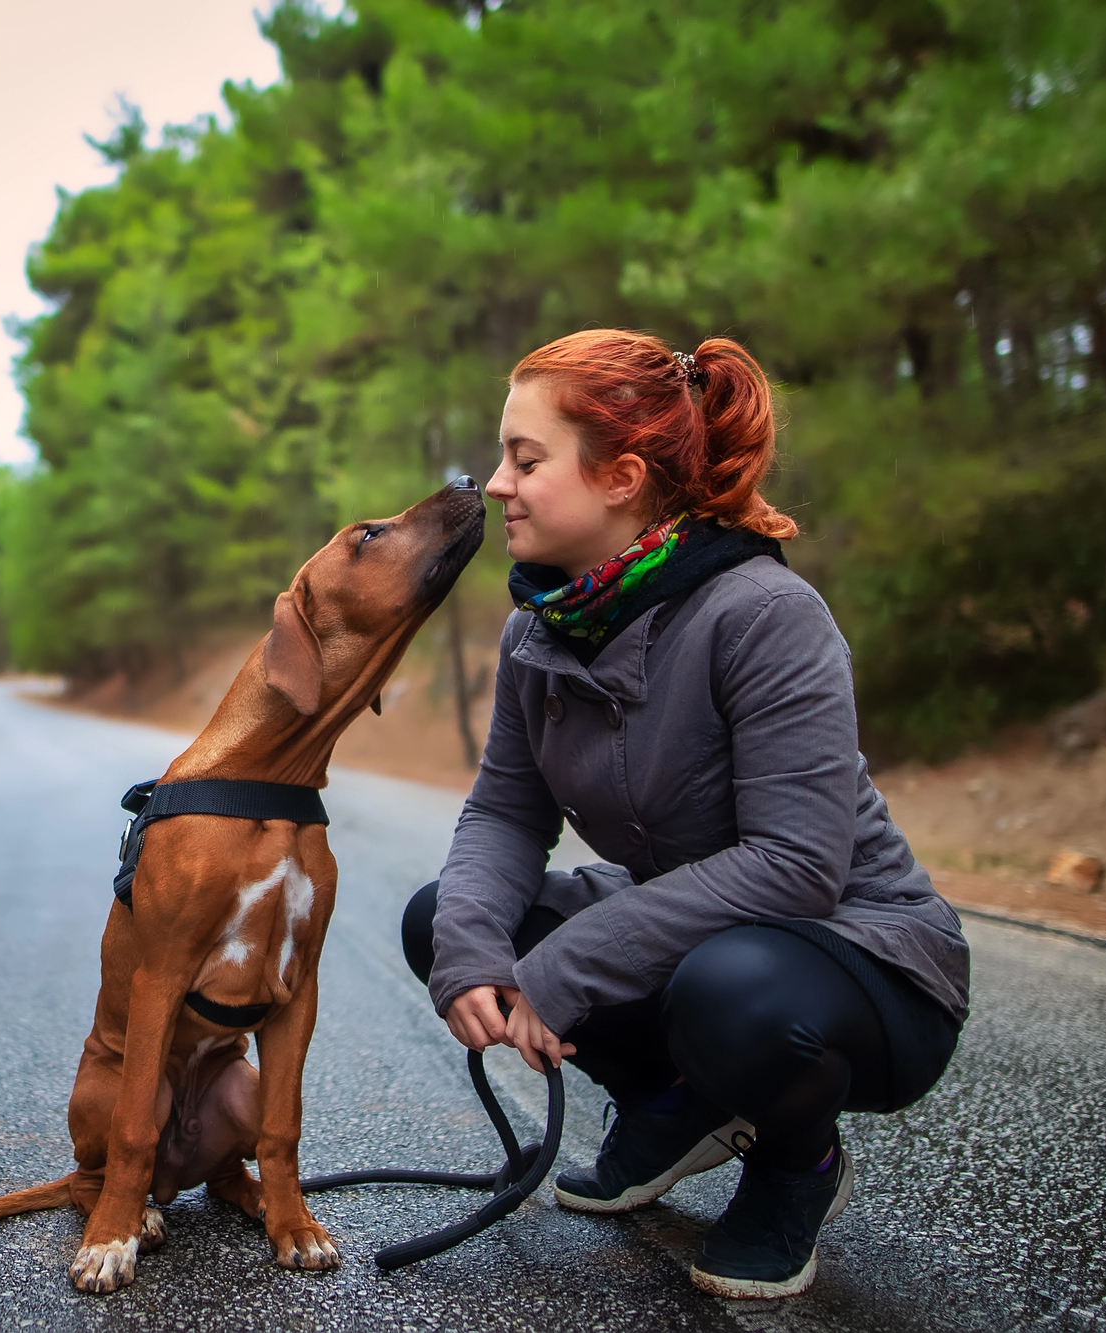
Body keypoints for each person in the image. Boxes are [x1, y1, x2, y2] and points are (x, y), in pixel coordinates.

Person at [401, 329, 969, 1300]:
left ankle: (798, 1166)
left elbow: (796, 866)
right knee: (444, 914)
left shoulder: (760, 614)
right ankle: (670, 1100)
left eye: (524, 459)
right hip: (702, 937)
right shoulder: (538, 625)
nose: (496, 484)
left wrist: (569, 964)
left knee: (727, 990)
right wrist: (469, 949)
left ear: (620, 476)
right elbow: (503, 810)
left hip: (860, 961)